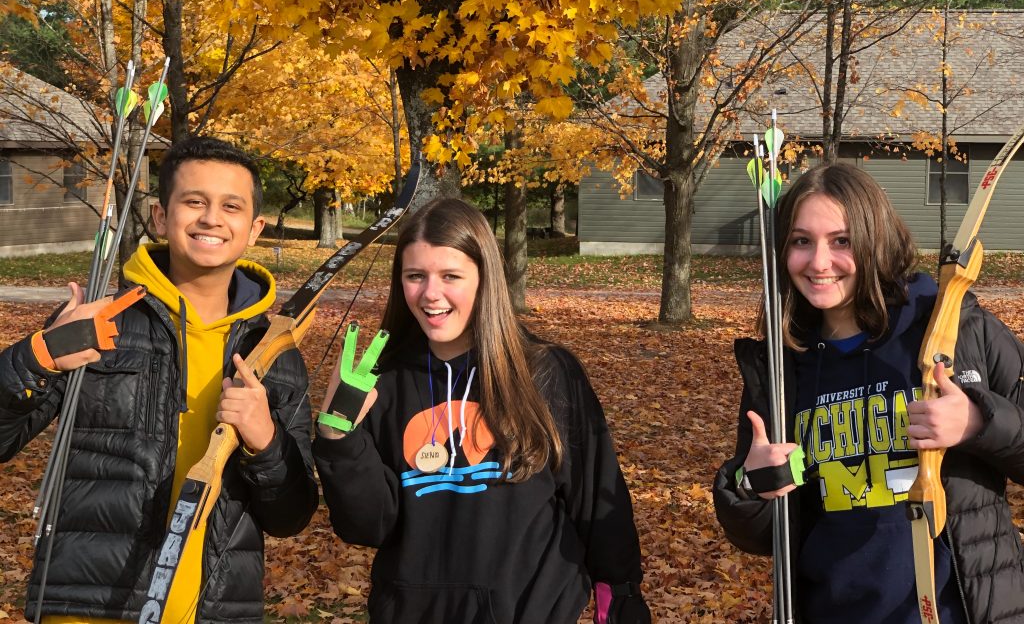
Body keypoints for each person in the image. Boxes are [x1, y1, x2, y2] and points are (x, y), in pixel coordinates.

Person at [0, 136, 318, 622]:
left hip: (210, 611)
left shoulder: (274, 351)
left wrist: (266, 441)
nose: (212, 218)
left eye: (231, 206)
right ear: (159, 217)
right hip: (88, 608)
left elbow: (290, 517)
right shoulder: (97, 322)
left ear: (253, 228)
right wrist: (37, 357)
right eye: (194, 201)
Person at [313, 198, 650, 624]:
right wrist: (338, 439)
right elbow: (369, 527)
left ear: (484, 279)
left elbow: (596, 498)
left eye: (450, 276)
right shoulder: (383, 382)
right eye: (415, 276)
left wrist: (620, 594)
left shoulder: (545, 371)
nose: (430, 293)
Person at [712, 163, 1024, 623]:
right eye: (801, 241)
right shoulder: (781, 365)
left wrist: (978, 422)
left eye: (842, 241)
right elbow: (764, 534)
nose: (819, 262)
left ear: (875, 239)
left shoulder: (953, 328)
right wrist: (752, 487)